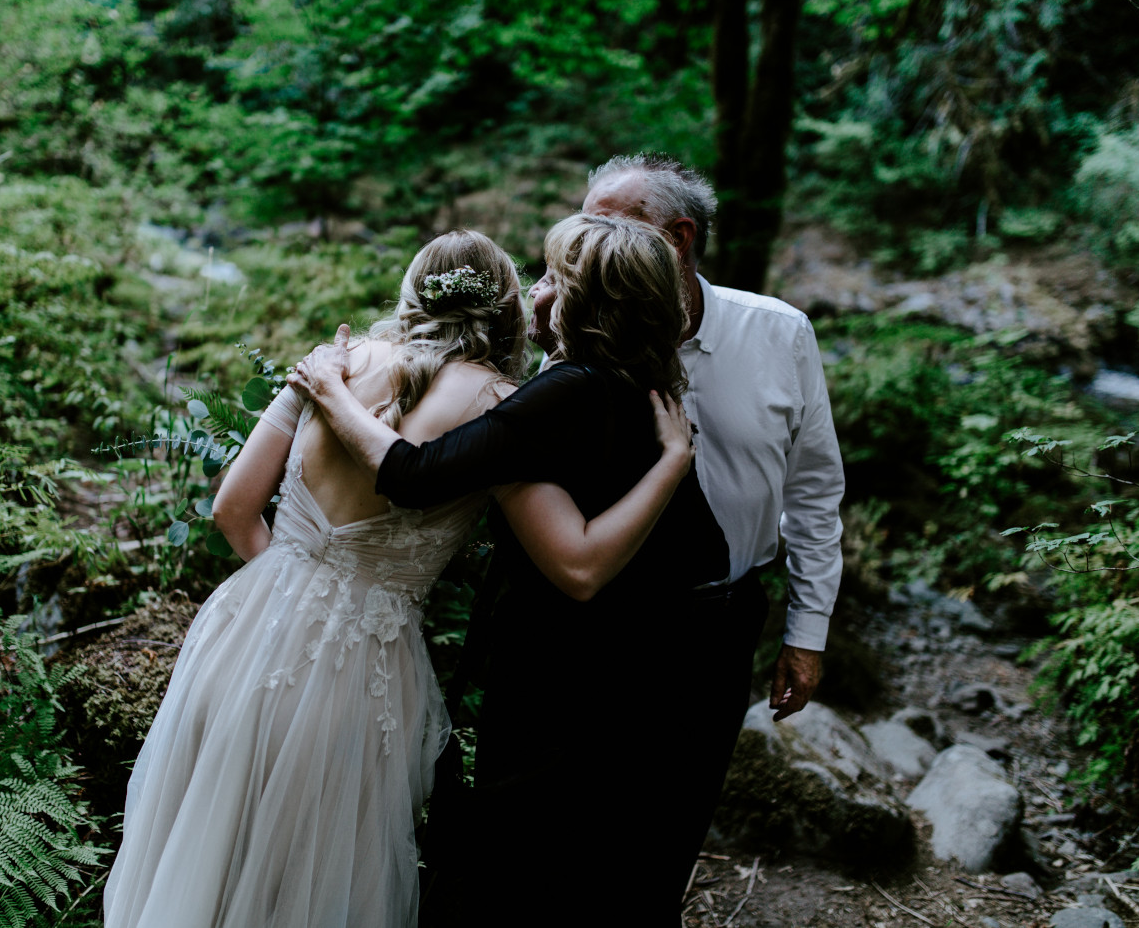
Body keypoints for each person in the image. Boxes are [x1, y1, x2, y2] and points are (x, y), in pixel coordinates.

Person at [102, 229, 698, 928]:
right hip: (361, 669)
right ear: (507, 309)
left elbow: (234, 509)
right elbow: (573, 556)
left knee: (208, 851)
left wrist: (296, 599)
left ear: (414, 291)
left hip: (243, 637)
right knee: (310, 877)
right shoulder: (503, 406)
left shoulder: (335, 363)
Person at [289, 213, 731, 923]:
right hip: (674, 648)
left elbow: (412, 471)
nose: (537, 291)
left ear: (585, 301)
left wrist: (332, 389)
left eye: (554, 276)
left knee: (525, 858)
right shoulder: (634, 380)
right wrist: (675, 464)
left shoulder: (570, 390)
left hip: (608, 663)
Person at [579, 152, 846, 847]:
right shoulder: (580, 341)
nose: (591, 249)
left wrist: (806, 633)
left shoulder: (781, 333)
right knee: (592, 816)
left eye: (613, 228)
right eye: (584, 229)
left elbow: (814, 490)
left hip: (724, 618)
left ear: (679, 237)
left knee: (680, 813)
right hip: (606, 617)